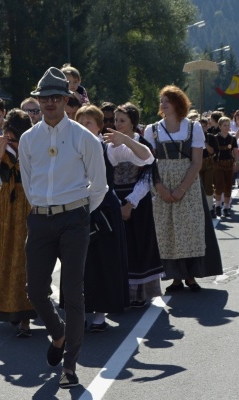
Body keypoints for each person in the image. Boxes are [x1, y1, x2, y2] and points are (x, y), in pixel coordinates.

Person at [19, 67, 107, 388]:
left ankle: (69, 367)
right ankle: (58, 334)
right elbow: (28, 184)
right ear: (38, 101)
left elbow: (98, 186)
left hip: (74, 219)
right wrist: (44, 209)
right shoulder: (29, 139)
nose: (50, 103)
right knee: (35, 291)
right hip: (40, 219)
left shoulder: (85, 138)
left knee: (73, 293)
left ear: (67, 99)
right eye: (45, 98)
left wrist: (79, 213)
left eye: (57, 97)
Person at [73, 104, 154, 330]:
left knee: (102, 262)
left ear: (99, 127)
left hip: (103, 212)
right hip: (75, 208)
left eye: (88, 122)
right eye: (79, 122)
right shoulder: (70, 146)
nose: (83, 127)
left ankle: (99, 316)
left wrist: (125, 139)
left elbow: (146, 158)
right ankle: (77, 313)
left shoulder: (107, 147)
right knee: (77, 263)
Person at [143, 85, 222, 293]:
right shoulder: (152, 130)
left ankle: (190, 275)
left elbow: (196, 163)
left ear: (178, 103)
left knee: (190, 228)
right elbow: (149, 163)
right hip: (162, 183)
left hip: (188, 184)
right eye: (161, 101)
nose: (162, 104)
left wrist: (181, 189)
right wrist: (161, 188)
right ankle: (175, 277)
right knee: (167, 230)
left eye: (167, 100)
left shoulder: (192, 128)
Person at [0, 109, 37, 336]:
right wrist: (0, 154)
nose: (9, 137)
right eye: (8, 133)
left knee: (26, 259)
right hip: (6, 205)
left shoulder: (34, 145)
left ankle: (26, 317)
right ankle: (11, 310)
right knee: (5, 257)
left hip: (30, 202)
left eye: (13, 135)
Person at [111, 103, 164, 308]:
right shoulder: (110, 144)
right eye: (116, 120)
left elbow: (148, 176)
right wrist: (116, 201)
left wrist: (130, 203)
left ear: (132, 122)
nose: (118, 124)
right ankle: (122, 291)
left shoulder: (142, 144)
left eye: (122, 120)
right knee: (120, 247)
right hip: (116, 198)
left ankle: (140, 293)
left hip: (138, 200)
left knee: (139, 245)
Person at [213, 117, 239, 217]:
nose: (227, 127)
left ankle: (227, 207)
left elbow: (235, 151)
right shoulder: (215, 138)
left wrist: (237, 163)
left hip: (229, 164)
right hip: (218, 164)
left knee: (228, 186)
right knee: (219, 185)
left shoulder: (232, 138)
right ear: (219, 126)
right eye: (224, 125)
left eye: (228, 125)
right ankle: (218, 206)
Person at [198, 117, 218, 218]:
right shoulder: (193, 137)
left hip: (208, 163)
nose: (202, 128)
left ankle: (210, 208)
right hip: (197, 164)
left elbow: (213, 151)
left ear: (207, 127)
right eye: (200, 126)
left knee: (208, 186)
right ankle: (200, 207)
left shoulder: (210, 137)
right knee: (198, 186)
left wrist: (204, 142)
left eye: (203, 126)